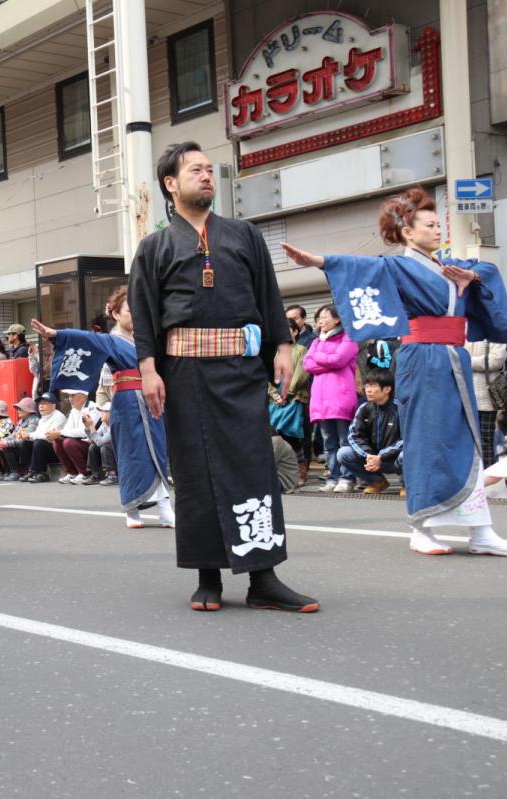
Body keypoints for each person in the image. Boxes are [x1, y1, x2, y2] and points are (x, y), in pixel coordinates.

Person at [282, 185, 507, 557]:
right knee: (426, 439)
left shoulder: (450, 267)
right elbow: (358, 266)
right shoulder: (395, 265)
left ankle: (481, 531)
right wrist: (318, 260)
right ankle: (422, 526)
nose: (437, 229)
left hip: (453, 358)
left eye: (435, 223)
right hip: (423, 359)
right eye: (429, 224)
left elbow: (487, 271)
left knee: (467, 441)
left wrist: (470, 279)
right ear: (408, 233)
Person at [130, 141, 319, 613]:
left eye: (210, 170)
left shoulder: (244, 235)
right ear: (171, 184)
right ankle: (207, 575)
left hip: (240, 371)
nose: (207, 176)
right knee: (195, 468)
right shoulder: (154, 247)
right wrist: (149, 368)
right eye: (195, 170)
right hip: (183, 371)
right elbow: (145, 312)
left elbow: (267, 294)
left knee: (252, 465)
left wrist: (282, 346)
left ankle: (264, 578)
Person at [32, 288, 175, 528]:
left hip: (153, 400)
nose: (136, 316)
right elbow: (86, 338)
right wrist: (56, 333)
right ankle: (132, 510)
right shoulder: (110, 340)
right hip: (128, 403)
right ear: (116, 314)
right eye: (130, 311)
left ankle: (164, 508)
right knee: (131, 455)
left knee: (158, 451)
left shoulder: (148, 339)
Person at [304, 305, 359, 493]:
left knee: (345, 440)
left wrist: (319, 357)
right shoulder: (317, 340)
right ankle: (333, 477)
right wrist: (326, 360)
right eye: (319, 317)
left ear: (337, 319)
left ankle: (347, 477)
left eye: (325, 316)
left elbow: (339, 360)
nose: (321, 320)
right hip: (320, 398)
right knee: (329, 441)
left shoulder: (348, 337)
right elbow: (307, 364)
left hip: (341, 395)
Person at [338, 370, 403, 495]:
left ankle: (407, 484)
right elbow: (354, 436)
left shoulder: (399, 409)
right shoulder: (364, 408)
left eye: (373, 386)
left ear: (387, 389)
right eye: (367, 386)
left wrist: (381, 456)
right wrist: (368, 455)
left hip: (393, 459)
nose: (368, 390)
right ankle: (377, 481)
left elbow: (407, 439)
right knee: (343, 453)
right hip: (372, 460)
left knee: (407, 454)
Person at [268, 319, 311, 487]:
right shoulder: (274, 352)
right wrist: (274, 394)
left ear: (295, 332)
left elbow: (301, 374)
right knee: (275, 434)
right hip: (275, 400)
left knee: (292, 435)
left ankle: (300, 470)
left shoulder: (301, 350)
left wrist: (286, 393)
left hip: (294, 398)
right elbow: (267, 375)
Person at [465, 339, 507, 466]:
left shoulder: (494, 335)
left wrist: (467, 360)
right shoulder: (466, 333)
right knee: (467, 439)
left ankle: (486, 474)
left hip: (486, 398)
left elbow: (496, 361)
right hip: (465, 396)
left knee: (486, 439)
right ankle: (472, 475)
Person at [24, 393, 66, 483]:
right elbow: (37, 433)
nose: (41, 406)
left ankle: (41, 473)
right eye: (40, 404)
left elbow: (48, 436)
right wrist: (26, 435)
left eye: (44, 403)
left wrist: (29, 435)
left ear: (53, 405)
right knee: (25, 443)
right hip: (45, 448)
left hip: (56, 451)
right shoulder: (43, 418)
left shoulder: (59, 417)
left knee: (39, 443)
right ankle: (32, 470)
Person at [0, 396, 39, 480]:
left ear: (28, 410)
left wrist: (8, 443)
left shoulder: (34, 420)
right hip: (21, 446)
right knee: (4, 446)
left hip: (30, 447)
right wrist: (4, 441)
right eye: (18, 409)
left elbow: (25, 437)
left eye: (21, 409)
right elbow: (14, 435)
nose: (18, 411)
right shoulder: (21, 421)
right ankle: (12, 471)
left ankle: (23, 471)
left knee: (15, 444)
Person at [83, 401, 116, 485]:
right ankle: (95, 475)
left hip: (119, 453)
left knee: (105, 446)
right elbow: (94, 439)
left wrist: (91, 426)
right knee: (92, 446)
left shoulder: (114, 425)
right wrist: (88, 428)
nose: (101, 413)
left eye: (104, 411)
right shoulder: (104, 424)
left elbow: (100, 442)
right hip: (111, 450)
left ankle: (112, 476)